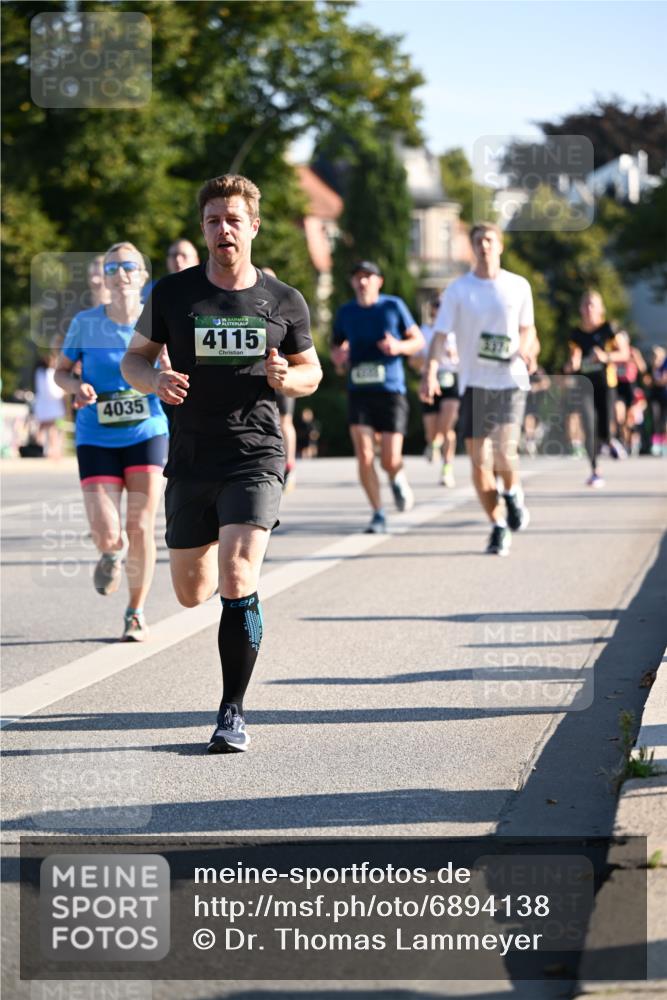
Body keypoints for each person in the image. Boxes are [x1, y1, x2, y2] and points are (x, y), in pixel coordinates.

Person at [121, 173, 321, 754]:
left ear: (253, 226)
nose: (223, 230)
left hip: (256, 455)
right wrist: (154, 379)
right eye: (213, 220)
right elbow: (134, 359)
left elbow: (312, 372)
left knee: (238, 574)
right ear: (203, 229)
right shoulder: (174, 293)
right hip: (190, 458)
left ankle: (231, 712)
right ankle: (227, 600)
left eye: (234, 219)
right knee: (191, 590)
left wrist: (291, 379)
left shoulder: (283, 301)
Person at [55, 242, 169, 640]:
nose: (121, 274)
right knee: (108, 532)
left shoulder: (157, 322)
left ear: (142, 276)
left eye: (129, 267)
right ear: (103, 278)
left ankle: (136, 612)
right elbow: (61, 373)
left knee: (141, 525)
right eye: (113, 268)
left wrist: (166, 374)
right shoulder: (86, 323)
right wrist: (76, 385)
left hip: (147, 431)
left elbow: (174, 372)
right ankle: (109, 551)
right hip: (96, 435)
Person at [421, 222, 537, 556]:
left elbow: (528, 330)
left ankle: (513, 494)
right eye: (478, 241)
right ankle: (498, 524)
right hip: (473, 383)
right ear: (472, 247)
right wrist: (430, 373)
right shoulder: (459, 290)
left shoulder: (518, 286)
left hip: (509, 381)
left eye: (489, 240)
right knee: (478, 463)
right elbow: (440, 336)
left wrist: (526, 349)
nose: (484, 246)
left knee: (503, 452)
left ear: (499, 245)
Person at [331, 261, 424, 533]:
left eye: (368, 277)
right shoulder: (345, 312)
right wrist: (339, 358)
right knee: (364, 454)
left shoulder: (393, 306)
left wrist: (398, 346)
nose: (362, 282)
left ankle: (397, 477)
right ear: (352, 282)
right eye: (358, 277)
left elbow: (418, 341)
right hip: (359, 390)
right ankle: (378, 512)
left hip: (391, 390)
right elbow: (337, 348)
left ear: (379, 281)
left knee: (389, 459)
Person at [567, 290, 630, 487]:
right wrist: (572, 364)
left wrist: (605, 357)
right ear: (580, 308)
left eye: (592, 304)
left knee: (604, 426)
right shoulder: (576, 334)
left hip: (606, 384)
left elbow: (625, 353)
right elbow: (574, 357)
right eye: (585, 304)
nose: (588, 309)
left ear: (600, 308)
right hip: (585, 385)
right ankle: (595, 471)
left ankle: (610, 441)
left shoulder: (609, 329)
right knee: (588, 425)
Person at [410, 295, 460, 487]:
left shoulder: (457, 332)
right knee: (432, 431)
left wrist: (453, 355)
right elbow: (413, 362)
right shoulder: (424, 332)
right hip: (428, 381)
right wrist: (429, 359)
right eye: (438, 305)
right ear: (433, 309)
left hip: (450, 381)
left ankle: (447, 468)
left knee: (447, 426)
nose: (441, 309)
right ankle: (433, 444)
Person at [33, 340, 66, 459]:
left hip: (43, 406)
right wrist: (62, 393)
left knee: (43, 428)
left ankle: (39, 448)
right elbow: (53, 391)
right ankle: (53, 450)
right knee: (52, 429)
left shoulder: (39, 373)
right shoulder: (49, 373)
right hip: (52, 407)